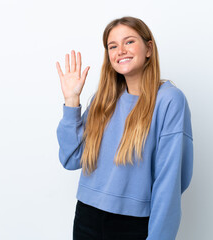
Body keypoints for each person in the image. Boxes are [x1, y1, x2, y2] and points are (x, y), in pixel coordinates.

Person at [56, 16, 193, 240]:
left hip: (134, 225)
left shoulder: (169, 100)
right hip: (87, 217)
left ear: (149, 48)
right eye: (112, 46)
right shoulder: (104, 99)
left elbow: (170, 182)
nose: (120, 50)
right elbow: (71, 159)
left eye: (129, 42)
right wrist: (72, 101)